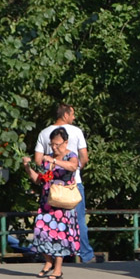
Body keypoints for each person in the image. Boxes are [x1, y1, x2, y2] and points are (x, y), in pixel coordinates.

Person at [35, 104, 94, 262]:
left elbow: (38, 160)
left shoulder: (44, 133)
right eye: (72, 114)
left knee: (50, 220)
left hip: (51, 185)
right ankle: (85, 255)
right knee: (78, 219)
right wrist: (75, 171)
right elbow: (84, 157)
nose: (74, 118)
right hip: (72, 185)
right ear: (66, 115)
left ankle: (54, 257)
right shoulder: (76, 131)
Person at [22, 127, 81, 279]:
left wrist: (55, 161)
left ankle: (58, 268)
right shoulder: (47, 159)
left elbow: (74, 166)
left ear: (66, 142)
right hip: (47, 201)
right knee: (41, 230)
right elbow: (39, 180)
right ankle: (48, 262)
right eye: (52, 144)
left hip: (62, 202)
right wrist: (28, 168)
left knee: (60, 235)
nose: (54, 148)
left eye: (58, 144)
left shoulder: (70, 156)